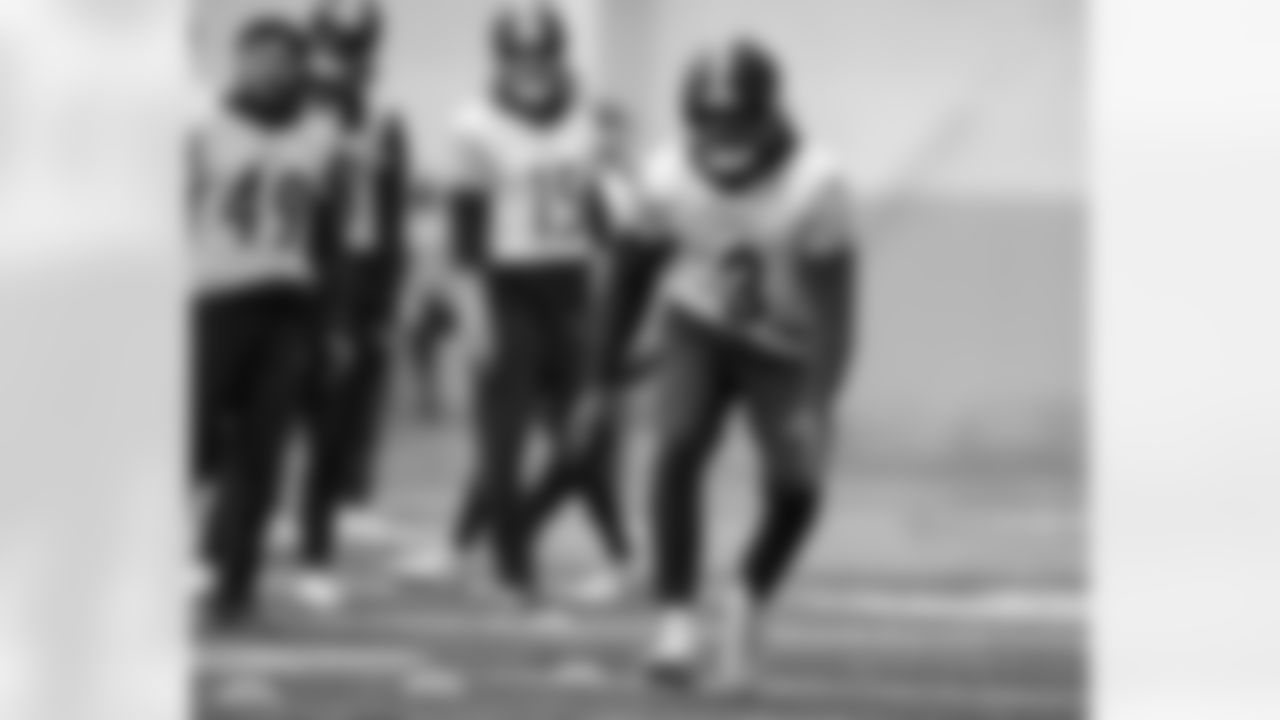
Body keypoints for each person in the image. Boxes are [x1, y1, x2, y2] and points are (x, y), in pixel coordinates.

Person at [622, 38, 859, 690]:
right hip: (698, 322)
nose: (725, 139)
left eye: (738, 123)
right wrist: (607, 360)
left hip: (786, 345)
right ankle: (675, 619)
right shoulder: (666, 174)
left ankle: (748, 593)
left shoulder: (817, 184)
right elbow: (630, 270)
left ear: (768, 115)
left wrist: (820, 401)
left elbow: (838, 311)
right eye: (712, 123)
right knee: (677, 445)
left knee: (801, 485)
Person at [396, 2, 619, 611]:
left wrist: (609, 297)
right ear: (500, 59)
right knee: (504, 439)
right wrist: (473, 314)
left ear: (559, 55)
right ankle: (512, 570)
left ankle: (604, 552)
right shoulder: (475, 125)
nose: (531, 67)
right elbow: (466, 235)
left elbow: (601, 221)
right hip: (507, 287)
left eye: (541, 55)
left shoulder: (587, 117)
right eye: (519, 56)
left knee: (583, 437)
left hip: (571, 287)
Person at [190, 13, 346, 626]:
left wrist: (333, 321)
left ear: (299, 68)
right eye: (258, 57)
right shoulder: (200, 125)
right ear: (238, 60)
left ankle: (236, 586)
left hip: (287, 306)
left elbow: (329, 236)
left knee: (262, 453)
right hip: (213, 300)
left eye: (283, 60)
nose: (269, 69)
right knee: (189, 444)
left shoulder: (323, 133)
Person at [285, 0, 415, 611]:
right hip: (289, 266)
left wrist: (388, 294)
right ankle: (241, 521)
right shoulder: (286, 104)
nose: (344, 63)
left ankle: (341, 510)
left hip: (359, 268)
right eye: (335, 49)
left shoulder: (383, 115)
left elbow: (392, 210)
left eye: (355, 52)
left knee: (349, 399)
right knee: (269, 401)